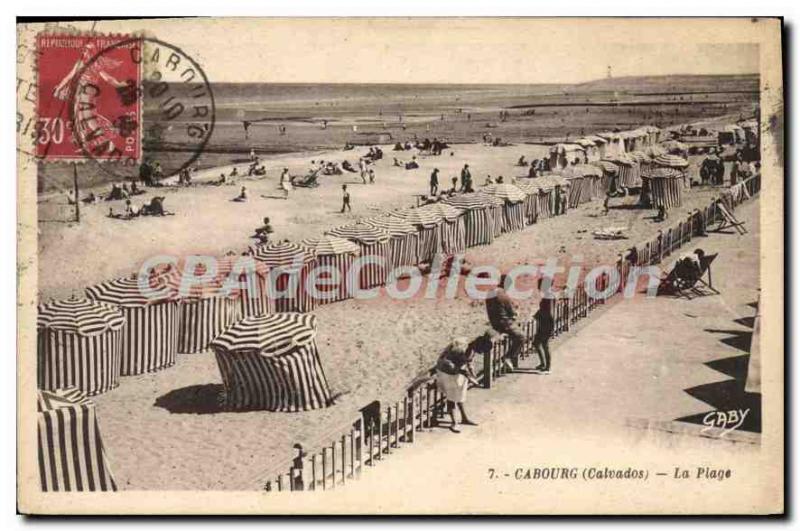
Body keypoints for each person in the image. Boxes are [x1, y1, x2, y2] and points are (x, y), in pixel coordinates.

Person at [434, 336, 483, 433]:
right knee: (451, 397)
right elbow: (449, 365)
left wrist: (472, 372)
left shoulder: (471, 348)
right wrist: (468, 376)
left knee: (460, 395)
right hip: (447, 372)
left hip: (458, 372)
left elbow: (469, 361)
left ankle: (464, 418)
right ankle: (454, 423)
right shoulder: (458, 349)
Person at [485, 275, 526, 371]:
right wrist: (515, 314)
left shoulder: (491, 292)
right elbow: (511, 312)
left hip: (494, 322)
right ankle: (508, 357)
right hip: (505, 324)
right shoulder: (503, 295)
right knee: (521, 337)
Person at [532, 279, 555, 374]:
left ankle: (548, 367)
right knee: (536, 343)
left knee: (545, 345)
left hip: (546, 324)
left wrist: (539, 315)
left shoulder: (548, 296)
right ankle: (543, 363)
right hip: (544, 323)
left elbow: (549, 312)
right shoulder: (548, 295)